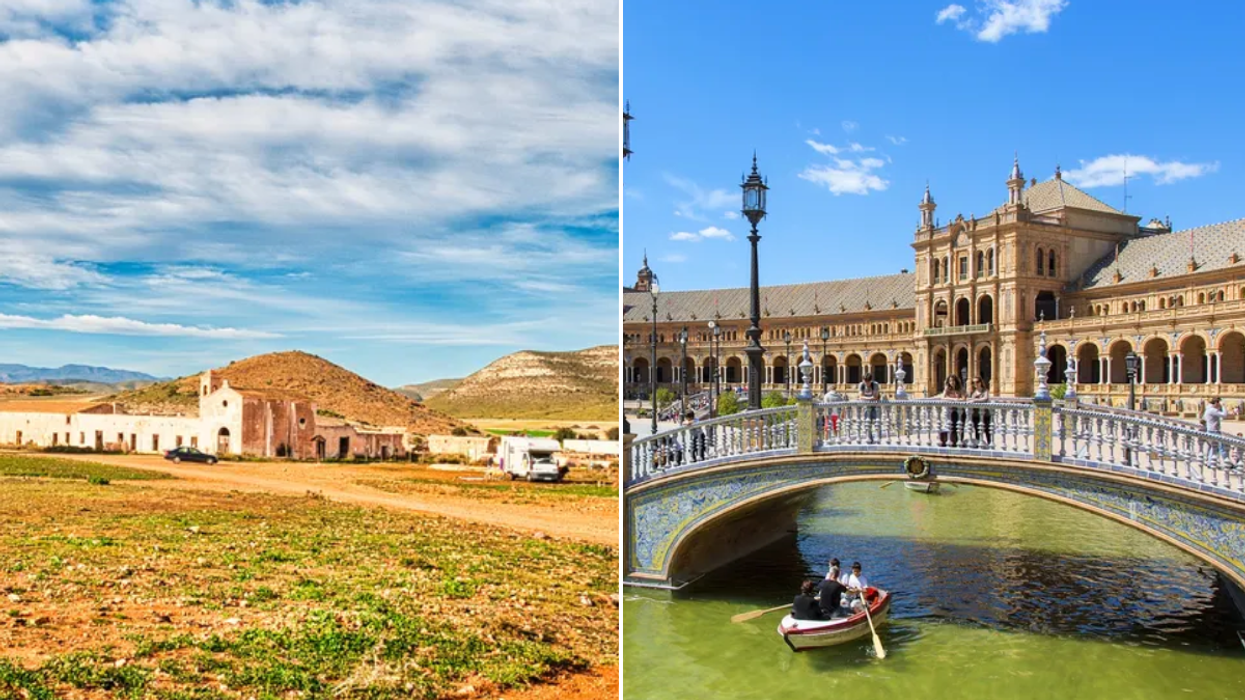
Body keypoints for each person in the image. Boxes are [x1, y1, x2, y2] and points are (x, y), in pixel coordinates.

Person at [938, 375, 964, 446]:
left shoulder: (959, 389)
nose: (952, 382)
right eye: (950, 380)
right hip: (950, 411)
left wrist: (959, 399)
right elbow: (942, 398)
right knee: (950, 426)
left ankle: (958, 441)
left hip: (958, 411)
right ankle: (951, 442)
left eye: (953, 380)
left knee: (958, 427)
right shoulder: (947, 388)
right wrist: (954, 399)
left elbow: (964, 398)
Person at [858, 371, 882, 443]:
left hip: (876, 407)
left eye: (868, 381)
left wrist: (865, 398)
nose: (866, 383)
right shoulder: (861, 385)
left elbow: (875, 397)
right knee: (867, 423)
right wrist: (870, 398)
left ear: (871, 380)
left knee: (877, 423)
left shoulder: (875, 384)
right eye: (865, 381)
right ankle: (869, 439)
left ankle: (878, 439)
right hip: (866, 407)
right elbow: (860, 396)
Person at [1203, 397, 1228, 465]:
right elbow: (1225, 415)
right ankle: (1227, 461)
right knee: (1221, 447)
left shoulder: (1208, 409)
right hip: (1214, 432)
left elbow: (1204, 418)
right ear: (1216, 403)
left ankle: (1209, 463)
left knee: (1214, 448)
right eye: (1219, 403)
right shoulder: (1213, 410)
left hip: (1210, 430)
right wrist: (1224, 406)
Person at [969, 376, 992, 446]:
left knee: (987, 430)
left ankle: (989, 444)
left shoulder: (985, 390)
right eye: (973, 382)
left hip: (985, 414)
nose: (975, 384)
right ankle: (978, 444)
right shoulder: (972, 392)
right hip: (976, 414)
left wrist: (975, 400)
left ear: (980, 382)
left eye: (977, 382)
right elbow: (969, 400)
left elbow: (985, 398)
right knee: (977, 430)